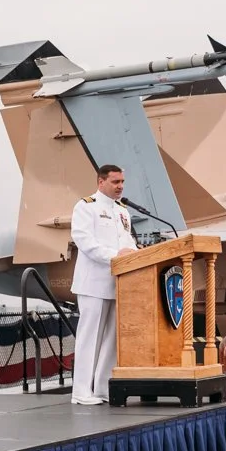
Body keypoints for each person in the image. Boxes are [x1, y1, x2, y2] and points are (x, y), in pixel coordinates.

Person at [69, 163, 136, 406]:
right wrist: (116, 256)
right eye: (115, 182)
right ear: (101, 182)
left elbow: (127, 241)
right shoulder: (86, 206)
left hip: (118, 283)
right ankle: (81, 391)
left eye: (122, 182)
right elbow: (85, 242)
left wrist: (135, 254)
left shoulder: (122, 211)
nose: (120, 186)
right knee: (90, 337)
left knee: (112, 339)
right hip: (93, 283)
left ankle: (103, 387)